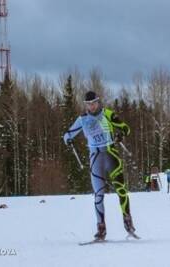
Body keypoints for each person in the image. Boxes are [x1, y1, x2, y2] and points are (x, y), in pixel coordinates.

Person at [63, 91, 137, 241]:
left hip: (111, 154)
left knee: (121, 190)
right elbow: (67, 134)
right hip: (95, 157)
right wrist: (68, 140)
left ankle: (128, 221)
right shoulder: (82, 119)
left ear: (98, 102)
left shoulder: (107, 114)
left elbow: (126, 128)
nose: (92, 106)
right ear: (86, 105)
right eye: (88, 104)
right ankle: (101, 228)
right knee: (98, 194)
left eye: (94, 103)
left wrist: (120, 134)